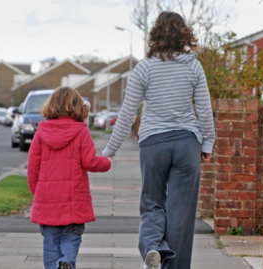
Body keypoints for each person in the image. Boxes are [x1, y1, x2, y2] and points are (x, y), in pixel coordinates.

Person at [101, 11, 215, 269]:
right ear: (184, 35)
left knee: (152, 204)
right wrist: (208, 144)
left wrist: (109, 151)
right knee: (181, 214)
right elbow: (205, 111)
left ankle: (153, 247)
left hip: (153, 144)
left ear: (155, 35)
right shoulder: (194, 66)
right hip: (187, 143)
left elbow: (127, 114)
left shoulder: (144, 68)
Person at [27, 87, 112, 269]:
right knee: (71, 236)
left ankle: (55, 265)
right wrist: (107, 162)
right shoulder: (81, 132)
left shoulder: (41, 133)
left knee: (50, 241)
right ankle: (66, 261)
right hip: (74, 198)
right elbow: (89, 162)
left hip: (48, 197)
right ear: (78, 107)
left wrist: (37, 191)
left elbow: (33, 165)